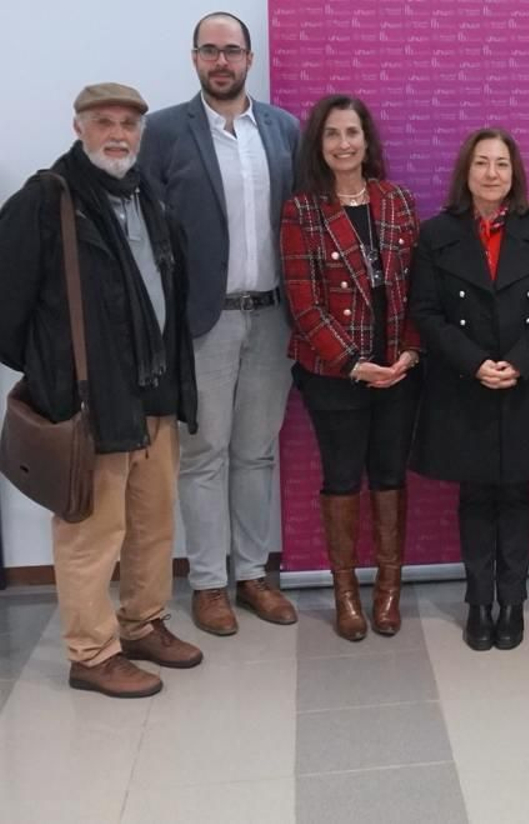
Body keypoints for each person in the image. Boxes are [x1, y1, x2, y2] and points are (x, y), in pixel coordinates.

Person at [0, 83, 201, 697]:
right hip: (90, 402)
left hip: (154, 396)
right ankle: (91, 653)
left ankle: (142, 623)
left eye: (128, 124)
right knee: (91, 532)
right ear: (79, 126)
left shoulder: (151, 199)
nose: (117, 133)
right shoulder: (47, 199)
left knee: (152, 524)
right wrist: (55, 376)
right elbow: (8, 309)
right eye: (103, 122)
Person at [141, 11, 301, 635]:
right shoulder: (163, 133)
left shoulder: (285, 130)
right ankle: (209, 584)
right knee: (203, 455)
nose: (221, 61)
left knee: (256, 453)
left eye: (231, 50)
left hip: (272, 317)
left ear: (250, 59)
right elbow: (149, 235)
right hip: (202, 322)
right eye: (210, 51)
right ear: (194, 59)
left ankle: (253, 576)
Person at [410, 128, 529, 651]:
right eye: (481, 163)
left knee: (517, 496)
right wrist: (476, 362)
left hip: (524, 382)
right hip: (466, 383)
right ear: (466, 171)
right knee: (476, 496)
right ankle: (479, 604)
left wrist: (518, 363)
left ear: (515, 173)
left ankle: (514, 604)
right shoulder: (438, 233)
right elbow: (427, 311)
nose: (491, 174)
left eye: (501, 164)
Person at [280, 95, 422, 642]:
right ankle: (345, 595)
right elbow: (303, 303)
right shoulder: (302, 209)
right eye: (332, 134)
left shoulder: (397, 202)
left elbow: (417, 289)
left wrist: (409, 352)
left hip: (399, 368)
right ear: (319, 144)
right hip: (333, 374)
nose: (344, 143)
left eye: (353, 133)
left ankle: (388, 591)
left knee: (389, 474)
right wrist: (355, 364)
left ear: (367, 141)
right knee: (342, 477)